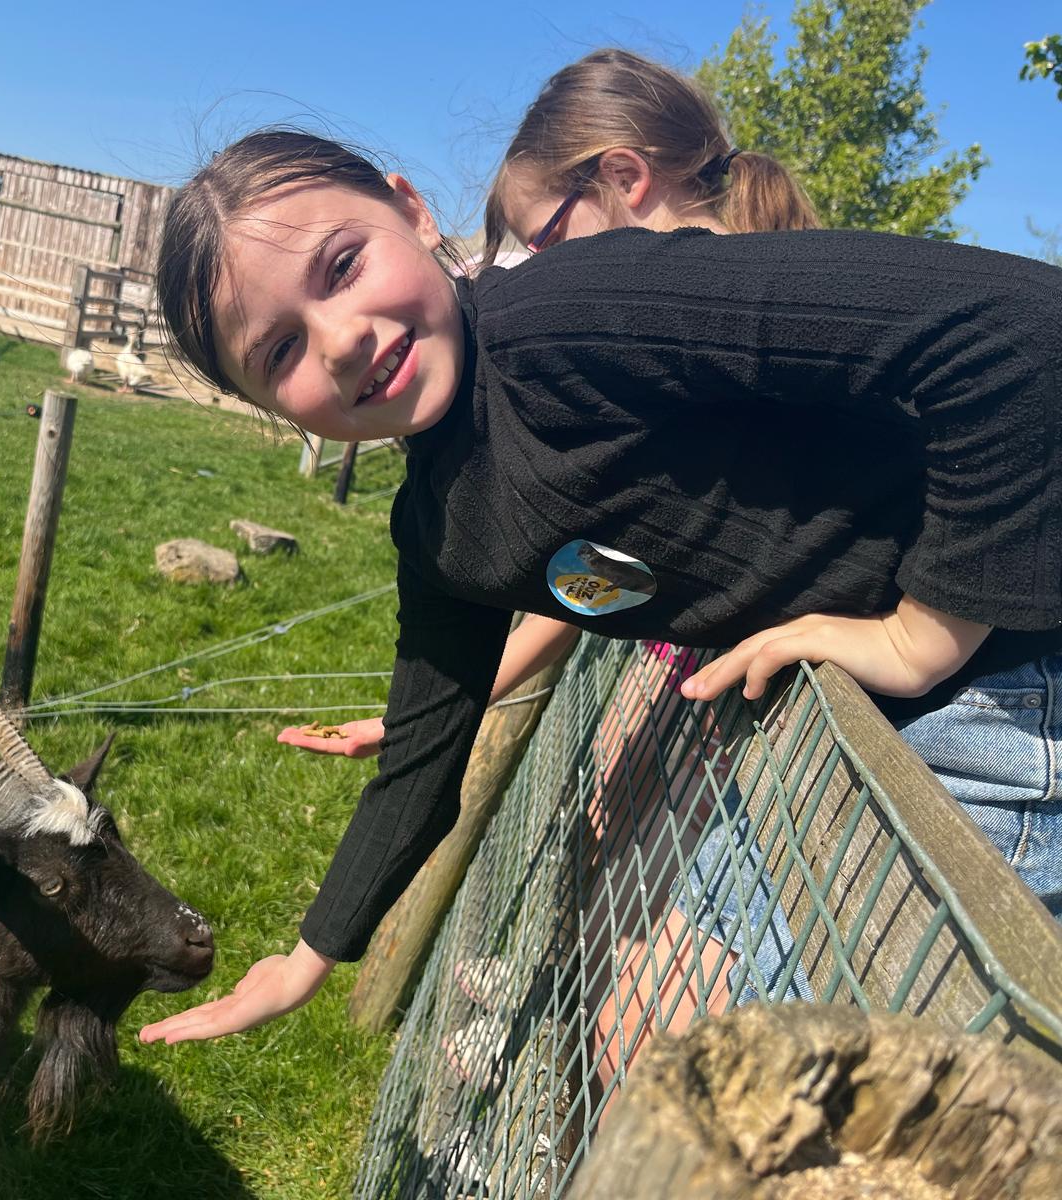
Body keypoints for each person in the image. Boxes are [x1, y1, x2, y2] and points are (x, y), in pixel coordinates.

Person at [136, 118, 1062, 1049]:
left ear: (412, 213)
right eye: (280, 352)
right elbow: (424, 749)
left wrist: (919, 636)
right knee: (662, 1044)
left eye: (342, 266)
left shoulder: (578, 311)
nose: (338, 340)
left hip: (1002, 683)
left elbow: (1018, 331)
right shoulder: (439, 527)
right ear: (263, 404)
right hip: (860, 721)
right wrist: (307, 957)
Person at [270, 48, 829, 1081]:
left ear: (624, 178)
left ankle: (582, 1052)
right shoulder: (636, 360)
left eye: (548, 239)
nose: (540, 268)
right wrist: (435, 712)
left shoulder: (726, 326)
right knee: (610, 850)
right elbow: (591, 574)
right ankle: (561, 1018)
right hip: (696, 668)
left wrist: (915, 634)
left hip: (809, 709)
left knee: (680, 981)